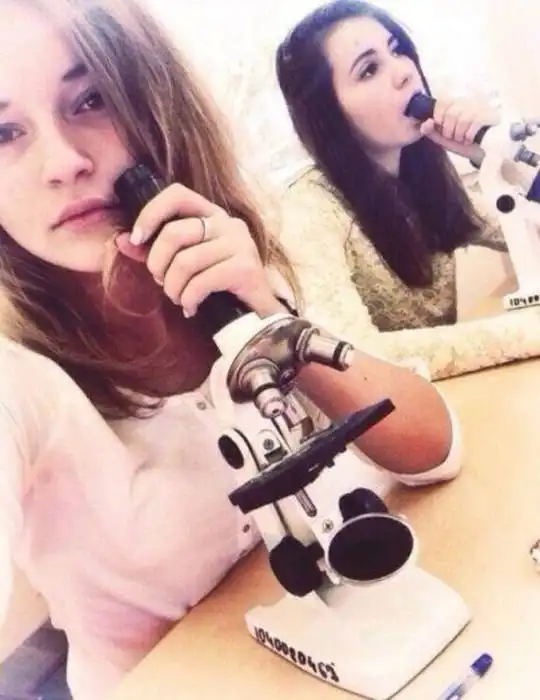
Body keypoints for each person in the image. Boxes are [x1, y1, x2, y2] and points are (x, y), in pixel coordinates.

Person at [0, 1, 461, 698]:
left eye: (91, 100)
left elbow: (433, 450)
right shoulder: (19, 378)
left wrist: (268, 314)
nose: (65, 163)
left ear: (155, 101)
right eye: (4, 132)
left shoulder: (229, 261)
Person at [275, 0, 540, 380]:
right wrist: (526, 333)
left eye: (397, 49)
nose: (403, 72)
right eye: (369, 70)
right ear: (328, 112)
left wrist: (495, 154)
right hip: (399, 416)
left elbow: (528, 230)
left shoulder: (420, 174)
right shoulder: (308, 207)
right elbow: (350, 354)